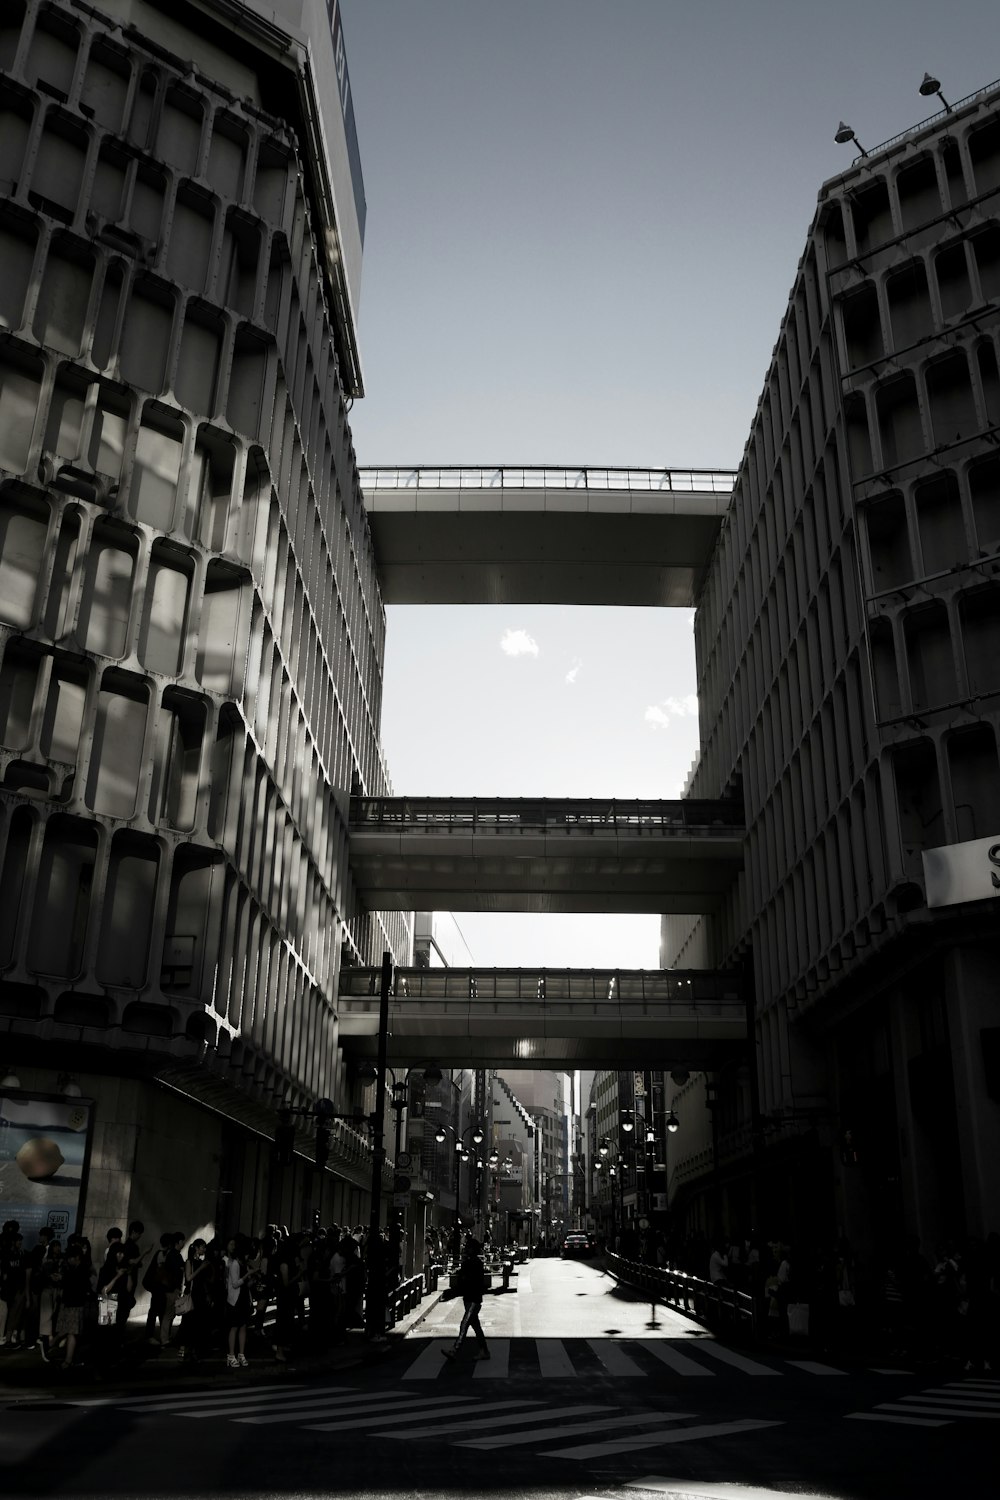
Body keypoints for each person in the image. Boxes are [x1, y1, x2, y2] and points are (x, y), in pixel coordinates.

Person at [443, 1236, 489, 1362]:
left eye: (468, 1247)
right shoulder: (469, 1263)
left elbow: (475, 1281)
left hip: (473, 1299)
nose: (466, 1249)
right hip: (469, 1298)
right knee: (476, 1326)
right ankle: (484, 1350)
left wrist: (464, 1279)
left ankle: (455, 1349)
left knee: (464, 1324)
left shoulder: (475, 1264)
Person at [225, 1234, 252, 1369]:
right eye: (247, 1254)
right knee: (234, 1327)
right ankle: (231, 1355)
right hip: (236, 1300)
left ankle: (241, 1354)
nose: (248, 1257)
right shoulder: (235, 1264)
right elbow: (235, 1284)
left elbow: (245, 1284)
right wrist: (247, 1275)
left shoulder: (243, 1264)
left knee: (243, 1326)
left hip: (244, 1298)